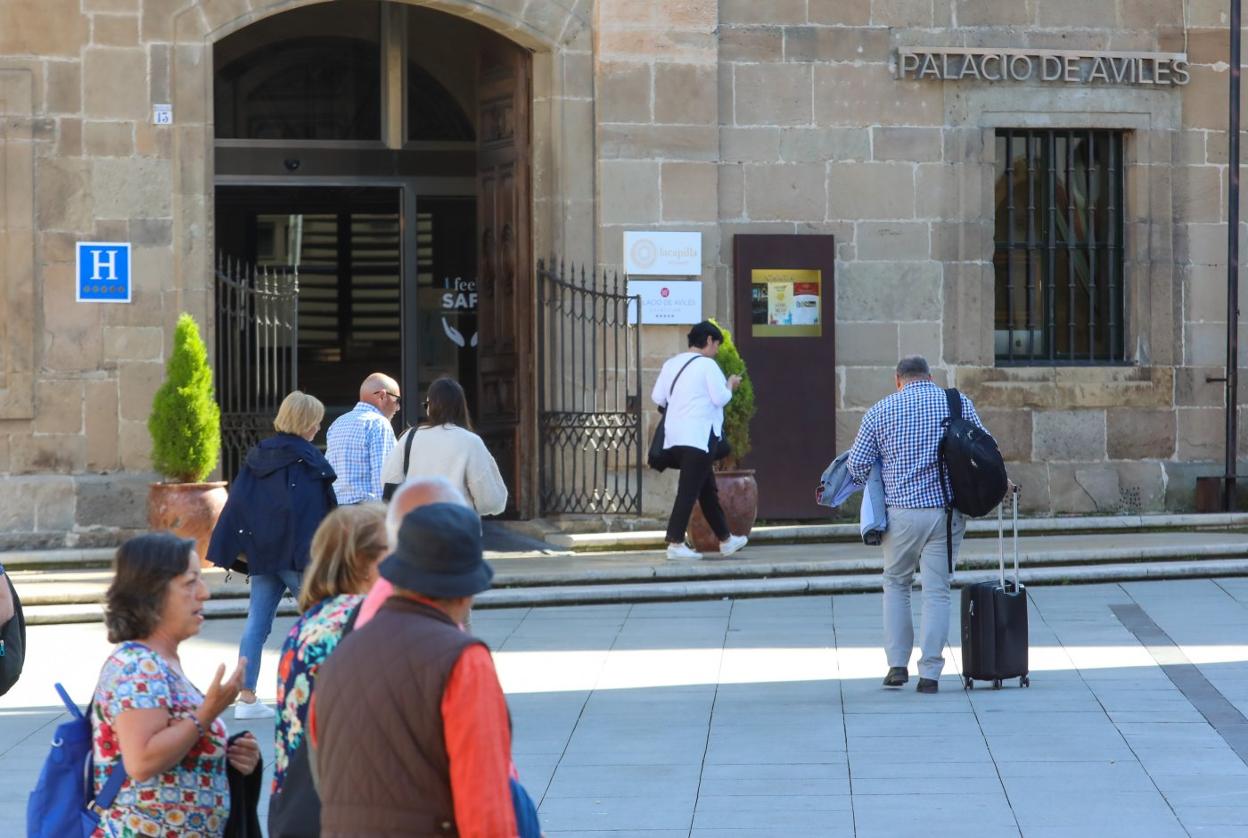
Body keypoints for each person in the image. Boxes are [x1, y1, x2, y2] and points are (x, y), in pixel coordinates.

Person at [309, 502, 518, 836]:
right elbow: (486, 810)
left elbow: (325, 773)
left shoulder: (341, 654)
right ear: (466, 594)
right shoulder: (463, 660)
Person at [91, 533, 261, 837]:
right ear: (152, 593)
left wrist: (232, 756)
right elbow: (142, 761)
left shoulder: (160, 662)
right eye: (190, 582)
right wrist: (207, 713)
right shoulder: (138, 667)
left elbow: (179, 751)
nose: (204, 593)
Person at [846, 355, 996, 695]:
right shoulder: (955, 403)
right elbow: (987, 447)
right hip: (944, 513)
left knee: (896, 584)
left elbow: (856, 467)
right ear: (929, 377)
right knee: (937, 591)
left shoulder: (880, 411)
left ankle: (897, 665)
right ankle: (930, 673)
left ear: (897, 379)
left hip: (900, 516)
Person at [206, 390, 338, 719]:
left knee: (256, 623)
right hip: (297, 557)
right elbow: (316, 513)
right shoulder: (309, 460)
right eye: (317, 421)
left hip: (263, 556)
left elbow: (240, 504)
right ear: (307, 422)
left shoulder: (258, 456)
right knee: (320, 622)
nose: (319, 428)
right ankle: (323, 694)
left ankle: (246, 698)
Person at [270, 503, 388, 830]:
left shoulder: (310, 620)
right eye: (394, 551)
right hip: (344, 804)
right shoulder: (364, 618)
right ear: (361, 561)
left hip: (295, 799)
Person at [651, 320, 749, 560]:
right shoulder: (707, 365)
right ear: (707, 340)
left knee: (706, 490)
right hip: (698, 438)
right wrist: (730, 384)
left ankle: (726, 539)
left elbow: (657, 397)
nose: (716, 349)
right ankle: (675, 543)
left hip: (674, 437)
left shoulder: (671, 364)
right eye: (716, 344)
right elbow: (720, 398)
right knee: (688, 491)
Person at [380, 377, 508, 516]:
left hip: (415, 528)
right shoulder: (470, 442)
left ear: (430, 407)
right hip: (457, 528)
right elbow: (492, 501)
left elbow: (388, 482)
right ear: (461, 407)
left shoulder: (409, 437)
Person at [326, 372, 401, 504]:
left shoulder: (337, 423)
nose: (398, 407)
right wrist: (384, 514)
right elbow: (383, 478)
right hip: (366, 514)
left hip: (336, 513)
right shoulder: (379, 423)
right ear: (382, 396)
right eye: (397, 400)